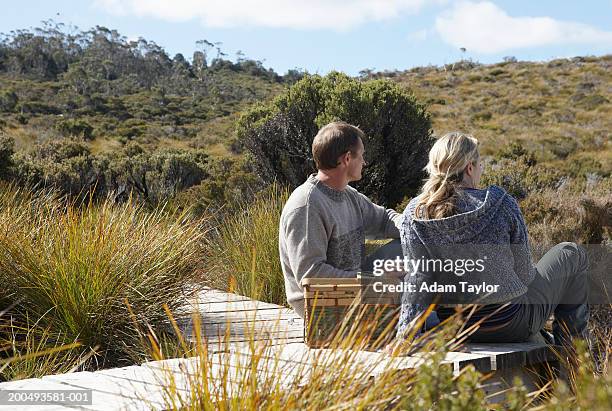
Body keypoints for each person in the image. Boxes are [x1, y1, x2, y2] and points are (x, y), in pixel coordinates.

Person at [396, 132, 590, 350]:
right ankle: (574, 363)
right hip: (510, 324)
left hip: (455, 327)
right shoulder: (500, 203)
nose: (482, 169)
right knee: (571, 253)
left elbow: (418, 279)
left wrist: (405, 334)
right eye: (480, 164)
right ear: (470, 167)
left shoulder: (415, 212)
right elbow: (525, 275)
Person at [279, 121, 403, 318]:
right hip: (323, 307)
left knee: (404, 249)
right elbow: (311, 275)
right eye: (361, 156)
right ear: (347, 158)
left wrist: (415, 228)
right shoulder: (306, 206)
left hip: (355, 290)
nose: (364, 162)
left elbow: (385, 220)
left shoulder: (348, 195)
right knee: (428, 317)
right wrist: (374, 281)